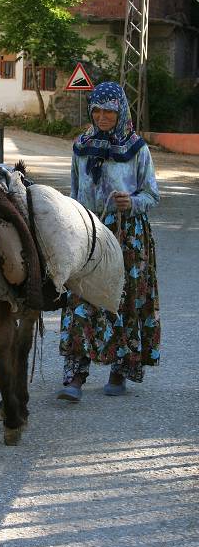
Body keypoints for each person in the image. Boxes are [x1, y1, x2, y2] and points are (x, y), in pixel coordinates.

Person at [57, 81, 160, 402]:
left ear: (121, 112)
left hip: (127, 236)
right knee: (79, 300)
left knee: (123, 301)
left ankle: (120, 370)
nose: (102, 116)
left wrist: (132, 201)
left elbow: (152, 194)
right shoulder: (81, 145)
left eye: (109, 111)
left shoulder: (136, 148)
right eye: (97, 110)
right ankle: (75, 375)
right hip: (88, 234)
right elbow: (75, 193)